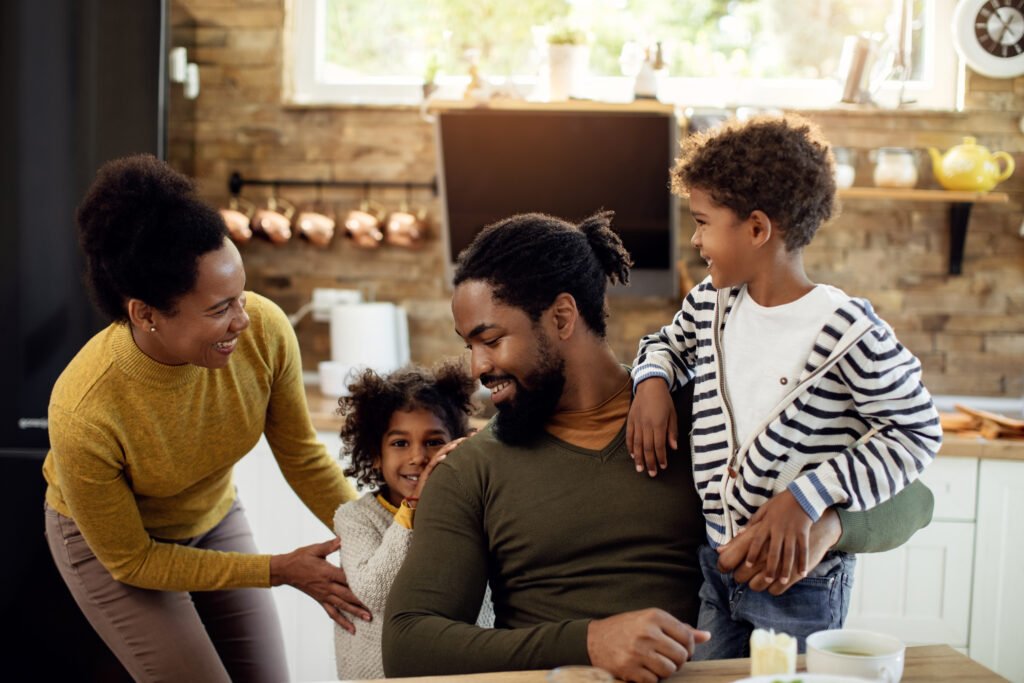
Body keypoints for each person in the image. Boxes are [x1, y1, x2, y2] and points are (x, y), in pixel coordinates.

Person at [383, 211, 935, 683]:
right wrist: (590, 642)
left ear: (561, 317)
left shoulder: (709, 417)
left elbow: (915, 498)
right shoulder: (471, 467)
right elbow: (408, 645)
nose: (477, 368)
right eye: (470, 346)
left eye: (491, 339)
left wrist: (827, 521)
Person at [42, 155, 369, 682]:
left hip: (210, 516)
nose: (242, 319)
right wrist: (277, 570)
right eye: (219, 309)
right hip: (117, 549)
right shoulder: (86, 409)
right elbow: (136, 562)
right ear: (145, 314)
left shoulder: (262, 330)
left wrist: (372, 533)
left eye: (241, 296)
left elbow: (302, 454)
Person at [627, 114, 942, 657]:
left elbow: (915, 433)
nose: (696, 239)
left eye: (703, 222)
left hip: (801, 581)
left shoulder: (848, 330)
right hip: (717, 567)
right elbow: (665, 344)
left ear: (756, 229)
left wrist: (808, 497)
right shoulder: (712, 303)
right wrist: (652, 380)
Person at [333, 362, 494, 679]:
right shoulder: (355, 518)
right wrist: (413, 508)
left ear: (455, 444)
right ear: (375, 454)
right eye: (400, 443)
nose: (418, 456)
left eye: (434, 441)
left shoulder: (473, 510)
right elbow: (376, 592)